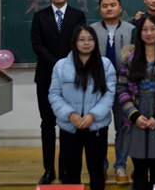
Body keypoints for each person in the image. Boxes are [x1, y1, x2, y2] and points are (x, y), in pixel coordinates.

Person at [31, 0, 86, 184]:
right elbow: (37, 45)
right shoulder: (40, 16)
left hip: (72, 78)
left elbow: (81, 43)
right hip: (46, 77)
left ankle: (65, 169)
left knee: (68, 123)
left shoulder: (78, 15)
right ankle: (48, 170)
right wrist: (57, 65)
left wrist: (66, 67)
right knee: (47, 123)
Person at [48, 24, 116, 190]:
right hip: (70, 126)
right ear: (74, 42)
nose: (86, 43)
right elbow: (54, 94)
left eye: (90, 39)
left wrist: (93, 115)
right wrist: (70, 114)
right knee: (71, 172)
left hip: (96, 126)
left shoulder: (106, 64)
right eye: (82, 39)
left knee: (97, 171)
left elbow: (109, 95)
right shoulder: (61, 65)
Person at [117, 15, 155, 190]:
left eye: (153, 29)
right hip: (136, 116)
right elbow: (122, 88)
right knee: (139, 169)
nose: (149, 33)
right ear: (139, 33)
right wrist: (134, 115)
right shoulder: (129, 58)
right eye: (144, 29)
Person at [91, 0, 135, 184]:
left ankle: (120, 166)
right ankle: (100, 166)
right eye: (105, 5)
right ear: (99, 9)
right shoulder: (91, 30)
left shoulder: (132, 29)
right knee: (98, 127)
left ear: (120, 8)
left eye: (113, 5)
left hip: (124, 85)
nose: (109, 8)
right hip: (98, 85)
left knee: (123, 127)